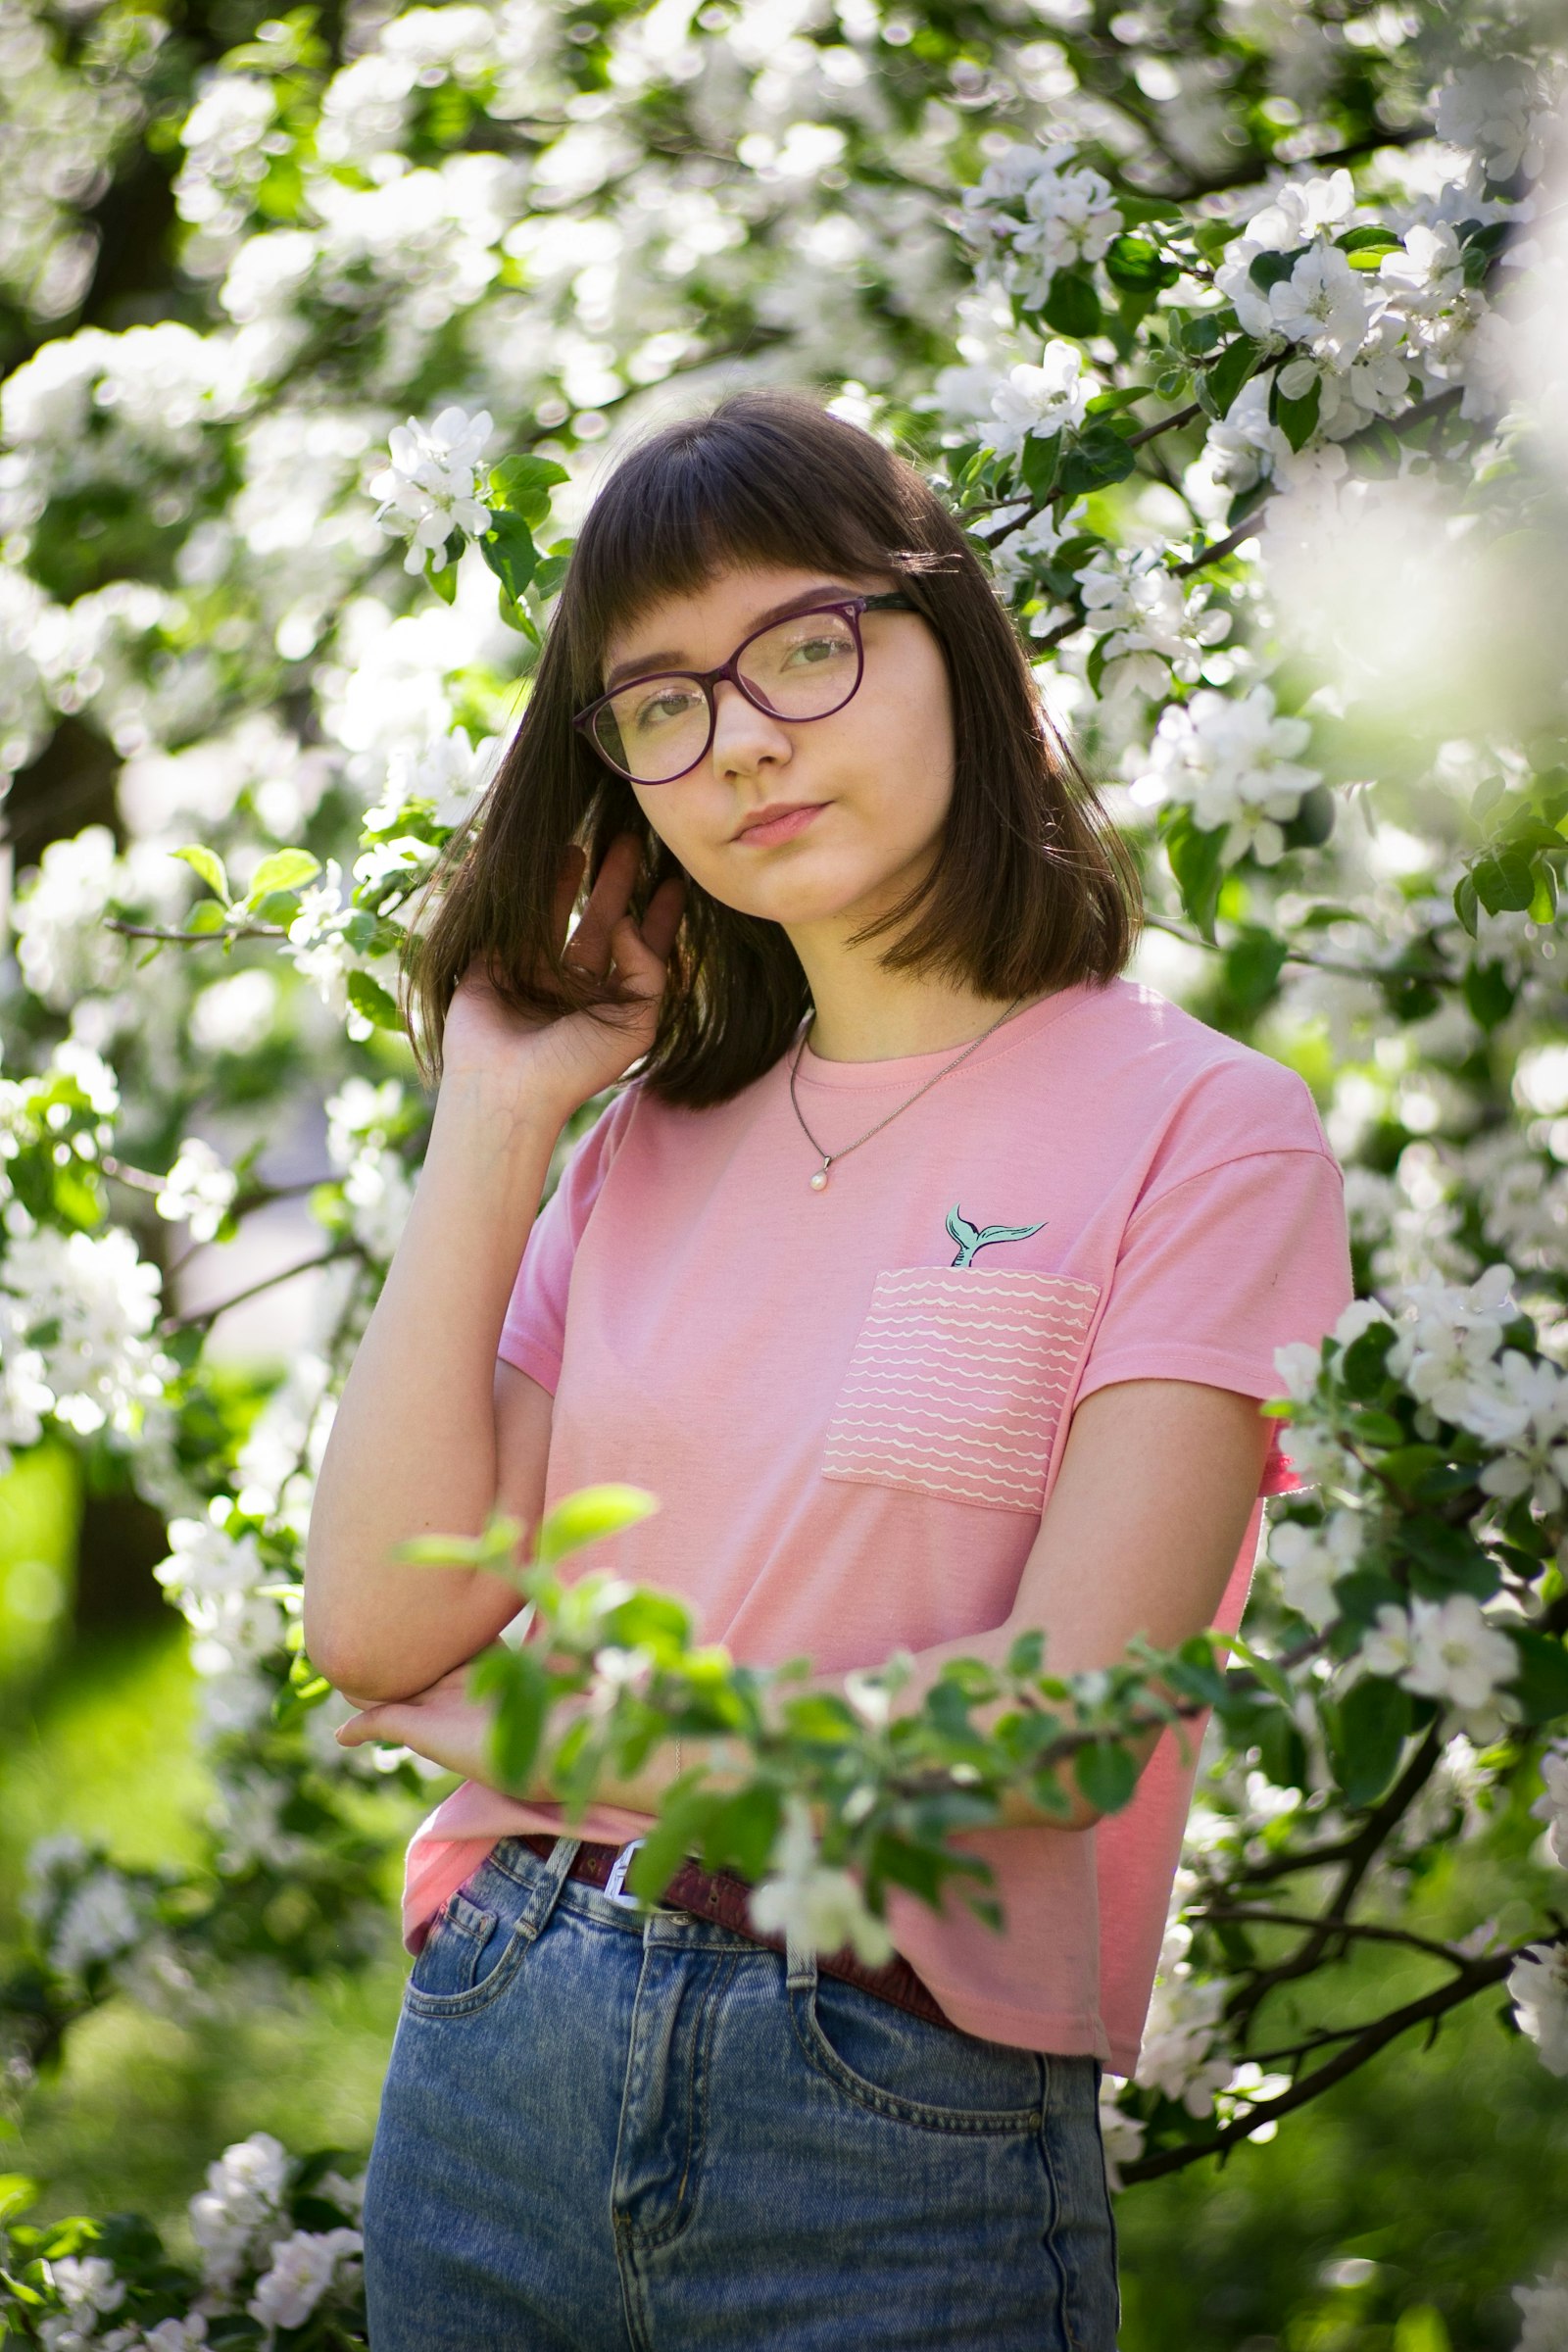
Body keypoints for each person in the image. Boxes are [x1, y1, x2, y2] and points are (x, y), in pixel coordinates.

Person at [305, 388, 1351, 2350]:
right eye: (663, 701)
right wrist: (496, 1109)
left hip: (884, 2101)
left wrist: (544, 1747)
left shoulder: (1200, 1133)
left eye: (803, 645)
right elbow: (375, 1624)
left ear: (951, 643)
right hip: (493, 2059)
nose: (746, 739)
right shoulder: (632, 1150)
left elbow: (1055, 1729)